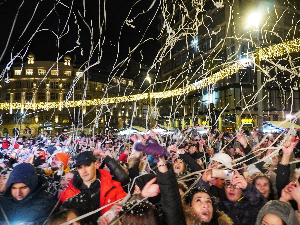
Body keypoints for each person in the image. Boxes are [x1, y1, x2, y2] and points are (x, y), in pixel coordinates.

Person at [59, 151, 127, 224]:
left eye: (87, 165)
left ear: (96, 165)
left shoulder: (114, 187)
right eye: (80, 167)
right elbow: (62, 217)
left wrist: (113, 218)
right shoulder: (68, 193)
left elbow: (127, 214)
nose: (84, 171)